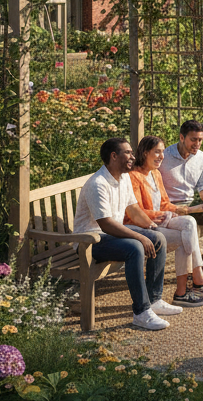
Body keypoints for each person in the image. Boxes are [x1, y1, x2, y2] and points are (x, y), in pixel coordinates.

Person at [72, 138, 177, 330]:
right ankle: (141, 312)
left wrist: (151, 228)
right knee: (135, 248)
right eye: (127, 153)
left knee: (158, 239)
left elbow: (133, 209)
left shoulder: (124, 177)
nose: (133, 156)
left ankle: (154, 300)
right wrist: (140, 236)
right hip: (90, 240)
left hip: (111, 234)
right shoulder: (98, 183)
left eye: (131, 152)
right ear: (114, 156)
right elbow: (106, 224)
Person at [126, 136, 203, 306]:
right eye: (157, 152)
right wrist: (164, 215)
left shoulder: (155, 173)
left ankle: (189, 286)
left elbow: (164, 203)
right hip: (142, 225)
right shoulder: (133, 176)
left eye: (163, 152)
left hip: (161, 219)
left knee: (189, 222)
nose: (161, 156)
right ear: (144, 152)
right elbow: (137, 212)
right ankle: (192, 286)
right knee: (184, 237)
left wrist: (193, 210)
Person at [160, 121, 203, 280]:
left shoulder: (201, 157)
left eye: (200, 140)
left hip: (192, 205)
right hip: (170, 207)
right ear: (181, 137)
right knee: (189, 222)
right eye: (193, 139)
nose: (197, 144)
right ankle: (193, 271)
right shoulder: (164, 157)